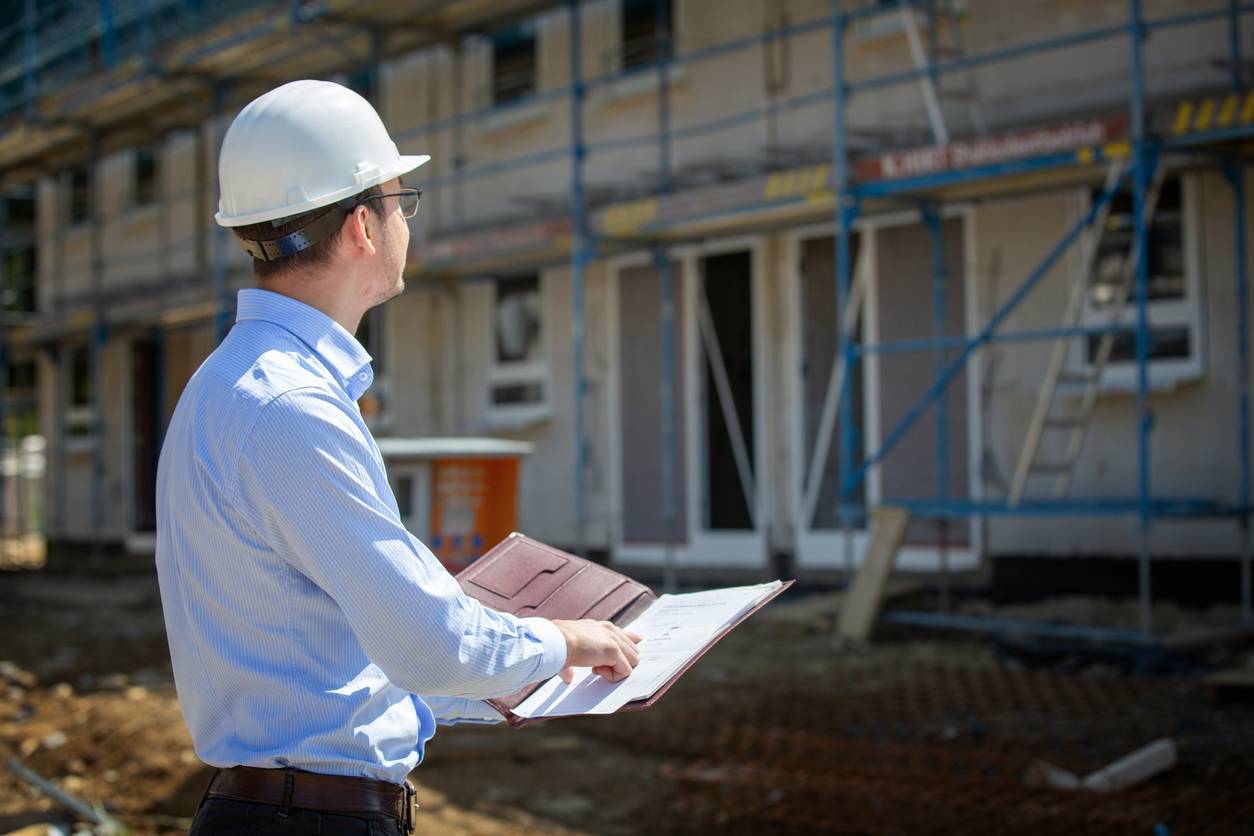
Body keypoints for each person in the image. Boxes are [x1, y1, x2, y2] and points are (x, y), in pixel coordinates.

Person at [154, 80, 641, 835]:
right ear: (361, 227)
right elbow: (427, 643)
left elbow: (343, 654)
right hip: (311, 822)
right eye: (399, 200)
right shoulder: (291, 408)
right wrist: (567, 637)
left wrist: (515, 667)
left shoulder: (231, 389)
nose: (406, 219)